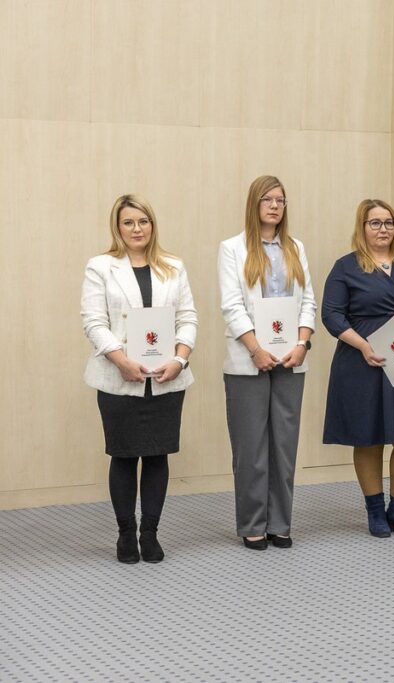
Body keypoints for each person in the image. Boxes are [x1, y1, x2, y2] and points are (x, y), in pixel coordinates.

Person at [81, 195, 198, 563]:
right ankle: (125, 535)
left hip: (166, 378)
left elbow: (188, 318)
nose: (137, 229)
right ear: (118, 227)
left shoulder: (173, 266)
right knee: (124, 455)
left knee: (157, 454)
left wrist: (180, 359)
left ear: (152, 225)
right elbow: (94, 322)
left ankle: (150, 533)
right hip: (119, 377)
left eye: (143, 221)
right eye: (129, 222)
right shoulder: (101, 267)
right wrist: (120, 361)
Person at [322, 199, 394, 538]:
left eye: (389, 223)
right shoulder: (345, 267)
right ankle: (375, 511)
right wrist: (362, 346)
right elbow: (331, 315)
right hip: (363, 361)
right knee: (368, 437)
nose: (383, 229)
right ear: (362, 227)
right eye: (375, 223)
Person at [218, 175, 316, 550]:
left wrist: (302, 344)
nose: (275, 206)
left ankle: (279, 523)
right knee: (251, 448)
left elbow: (308, 301)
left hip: (290, 359)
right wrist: (256, 349)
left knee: (284, 446)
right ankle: (252, 523)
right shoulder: (232, 249)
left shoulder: (295, 248)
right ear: (254, 204)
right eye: (268, 200)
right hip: (248, 361)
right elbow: (232, 306)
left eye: (280, 200)